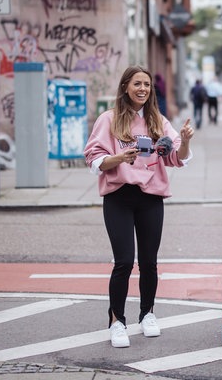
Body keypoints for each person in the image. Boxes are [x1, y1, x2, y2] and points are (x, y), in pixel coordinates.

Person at [83, 65, 195, 348]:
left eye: (146, 84)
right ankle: (116, 321)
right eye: (137, 84)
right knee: (123, 262)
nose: (143, 89)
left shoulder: (158, 121)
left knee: (149, 262)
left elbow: (176, 158)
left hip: (151, 198)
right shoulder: (108, 120)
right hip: (119, 197)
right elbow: (95, 159)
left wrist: (186, 141)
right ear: (125, 87)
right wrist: (120, 158)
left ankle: (147, 314)